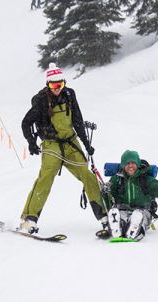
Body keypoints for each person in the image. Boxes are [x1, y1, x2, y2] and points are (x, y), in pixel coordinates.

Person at [19, 63, 108, 234]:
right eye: (53, 85)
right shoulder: (41, 100)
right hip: (51, 144)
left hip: (70, 142)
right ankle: (28, 220)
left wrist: (86, 144)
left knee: (87, 175)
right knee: (46, 176)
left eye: (60, 84)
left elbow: (77, 120)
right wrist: (31, 141)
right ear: (48, 85)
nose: (57, 88)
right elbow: (26, 123)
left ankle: (104, 217)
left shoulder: (69, 95)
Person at [105, 150, 158, 241]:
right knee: (120, 216)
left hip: (143, 210)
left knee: (140, 217)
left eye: (133, 163)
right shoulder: (117, 179)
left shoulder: (145, 180)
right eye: (127, 163)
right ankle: (117, 228)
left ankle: (136, 229)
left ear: (138, 164)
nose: (130, 166)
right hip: (122, 209)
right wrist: (106, 191)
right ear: (123, 165)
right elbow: (109, 195)